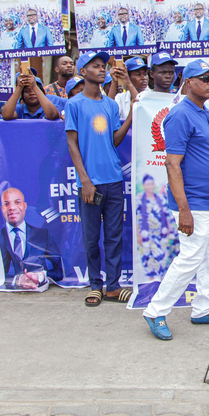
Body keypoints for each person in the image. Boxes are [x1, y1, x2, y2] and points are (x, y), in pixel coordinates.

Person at [142, 60, 209, 340]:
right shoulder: (180, 115)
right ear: (188, 81)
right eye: (204, 78)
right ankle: (156, 311)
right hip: (195, 204)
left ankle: (203, 308)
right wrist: (184, 210)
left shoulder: (203, 111)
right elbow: (172, 165)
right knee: (190, 259)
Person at [67, 51, 135, 307]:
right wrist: (84, 180)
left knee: (114, 236)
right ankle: (95, 284)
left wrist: (130, 118)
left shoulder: (110, 104)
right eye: (95, 67)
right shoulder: (74, 104)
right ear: (82, 72)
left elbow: (114, 141)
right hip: (90, 183)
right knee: (91, 237)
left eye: (103, 66)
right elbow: (72, 144)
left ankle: (113, 286)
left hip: (114, 180)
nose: (101, 70)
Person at [0, 187, 64, 290]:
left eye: (17, 202)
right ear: (2, 209)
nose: (12, 208)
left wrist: (39, 276)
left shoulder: (42, 235)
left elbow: (61, 270)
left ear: (25, 206)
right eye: (7, 204)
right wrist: (18, 280)